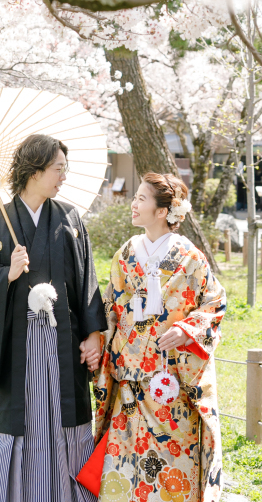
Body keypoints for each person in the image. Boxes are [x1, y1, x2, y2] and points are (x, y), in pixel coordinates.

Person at [0, 133, 107, 502]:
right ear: (34, 170)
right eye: (58, 169)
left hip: (63, 340)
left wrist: (93, 334)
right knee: (19, 419)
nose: (63, 177)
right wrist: (5, 275)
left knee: (65, 418)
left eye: (65, 170)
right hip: (18, 343)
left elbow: (86, 280)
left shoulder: (70, 218)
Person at [92, 173, 226, 502]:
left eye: (141, 198)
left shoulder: (190, 257)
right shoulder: (126, 253)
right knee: (121, 469)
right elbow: (109, 303)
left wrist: (186, 329)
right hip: (128, 379)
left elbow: (214, 303)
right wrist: (99, 335)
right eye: (135, 197)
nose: (133, 204)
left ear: (163, 211)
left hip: (170, 386)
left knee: (170, 472)